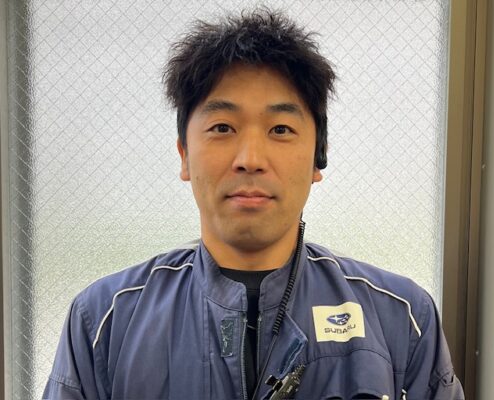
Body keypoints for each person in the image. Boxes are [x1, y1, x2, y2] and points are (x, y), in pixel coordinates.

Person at [44, 9, 464, 400]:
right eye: (222, 127)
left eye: (280, 129)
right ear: (184, 155)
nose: (250, 159)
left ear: (318, 158)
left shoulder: (401, 318)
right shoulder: (104, 321)